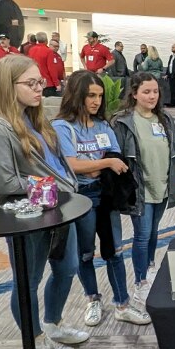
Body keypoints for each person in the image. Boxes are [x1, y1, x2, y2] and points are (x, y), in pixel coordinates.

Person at [0, 55, 90, 349]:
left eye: (41, 81)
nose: (41, 88)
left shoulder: (35, 118)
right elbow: (8, 184)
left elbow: (56, 164)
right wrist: (55, 188)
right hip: (30, 218)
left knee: (67, 270)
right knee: (29, 281)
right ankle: (34, 338)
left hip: (61, 210)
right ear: (7, 86)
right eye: (32, 83)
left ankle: (53, 323)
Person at [51, 71, 151, 327]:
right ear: (77, 96)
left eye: (100, 96)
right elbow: (73, 164)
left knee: (115, 251)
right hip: (80, 197)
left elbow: (115, 155)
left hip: (106, 195)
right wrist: (103, 162)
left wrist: (96, 165)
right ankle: (92, 299)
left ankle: (122, 303)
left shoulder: (103, 125)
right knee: (85, 254)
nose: (96, 101)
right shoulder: (63, 127)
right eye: (90, 96)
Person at [112, 72, 175, 303]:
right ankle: (140, 281)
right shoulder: (123, 121)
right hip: (139, 189)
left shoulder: (164, 118)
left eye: (155, 91)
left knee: (154, 232)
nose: (152, 96)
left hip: (162, 186)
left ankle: (150, 266)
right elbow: (118, 156)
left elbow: (173, 152)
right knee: (142, 235)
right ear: (134, 94)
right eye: (146, 92)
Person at [28, 32, 60, 97]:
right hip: (48, 84)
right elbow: (51, 68)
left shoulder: (31, 50)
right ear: (46, 40)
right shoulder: (48, 51)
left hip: (35, 81)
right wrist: (57, 84)